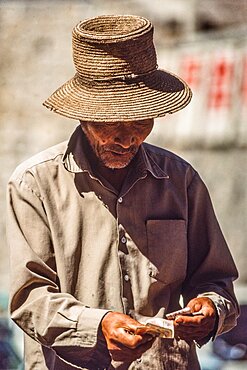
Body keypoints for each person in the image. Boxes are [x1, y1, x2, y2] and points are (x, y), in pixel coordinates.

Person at [6, 14, 239, 370]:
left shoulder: (181, 180)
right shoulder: (33, 185)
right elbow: (30, 298)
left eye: (141, 120)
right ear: (83, 116)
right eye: (111, 121)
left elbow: (215, 281)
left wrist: (210, 308)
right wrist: (98, 328)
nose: (127, 137)